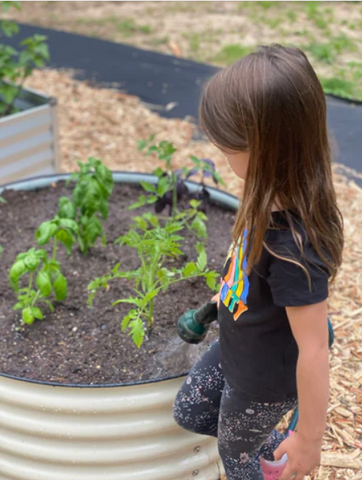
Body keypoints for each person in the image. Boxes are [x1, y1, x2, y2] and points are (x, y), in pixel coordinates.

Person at [173, 44, 344, 480]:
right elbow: (248, 268)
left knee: (239, 461)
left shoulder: (293, 247)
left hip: (262, 383)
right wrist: (224, 295)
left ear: (265, 150)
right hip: (239, 349)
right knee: (190, 410)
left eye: (227, 146)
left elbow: (315, 349)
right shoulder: (265, 195)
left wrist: (307, 438)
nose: (220, 153)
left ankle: (269, 460)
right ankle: (267, 446)